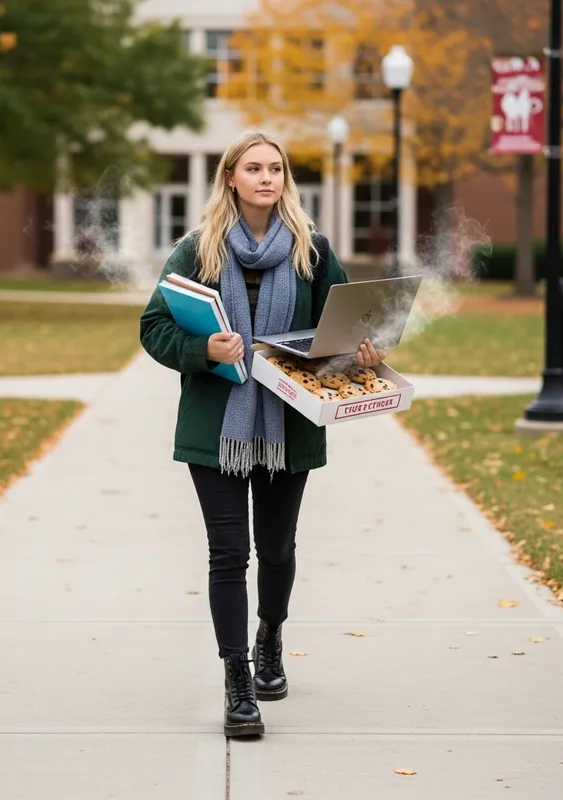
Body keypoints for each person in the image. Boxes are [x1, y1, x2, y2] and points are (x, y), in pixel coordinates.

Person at [139, 130, 386, 738]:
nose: (266, 177)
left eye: (275, 168)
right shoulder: (196, 251)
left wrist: (364, 350)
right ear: (231, 177)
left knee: (276, 549)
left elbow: (341, 331)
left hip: (287, 426)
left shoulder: (312, 251)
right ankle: (237, 681)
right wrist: (204, 348)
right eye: (253, 168)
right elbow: (154, 327)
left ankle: (270, 635)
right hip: (216, 428)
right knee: (228, 554)